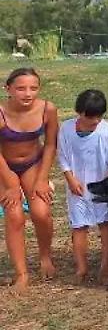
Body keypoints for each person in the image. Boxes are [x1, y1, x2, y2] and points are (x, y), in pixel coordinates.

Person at [0, 67, 59, 289]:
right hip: (4, 166)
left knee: (41, 212)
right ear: (8, 89)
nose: (28, 93)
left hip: (33, 163)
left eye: (33, 88)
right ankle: (21, 273)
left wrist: (43, 178)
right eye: (21, 88)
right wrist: (10, 183)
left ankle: (45, 256)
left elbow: (51, 144)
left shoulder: (47, 109)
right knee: (14, 214)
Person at [58, 89, 108, 285]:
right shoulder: (66, 129)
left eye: (98, 117)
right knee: (79, 225)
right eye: (89, 116)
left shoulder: (107, 132)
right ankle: (81, 267)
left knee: (105, 223)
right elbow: (63, 156)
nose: (94, 121)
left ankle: (106, 264)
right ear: (79, 112)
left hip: (100, 185)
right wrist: (70, 178)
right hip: (77, 184)